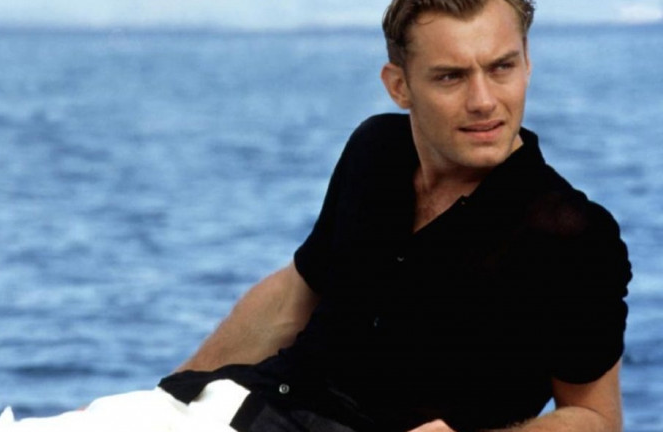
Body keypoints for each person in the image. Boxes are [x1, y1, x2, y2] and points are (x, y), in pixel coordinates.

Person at [159, 0, 631, 431]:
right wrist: (171, 394)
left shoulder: (572, 235)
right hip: (252, 403)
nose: (483, 101)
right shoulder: (376, 149)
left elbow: (597, 418)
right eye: (451, 77)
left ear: (527, 63)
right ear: (399, 86)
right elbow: (292, 297)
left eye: (501, 67)